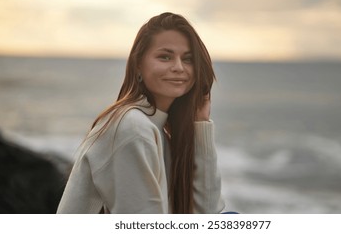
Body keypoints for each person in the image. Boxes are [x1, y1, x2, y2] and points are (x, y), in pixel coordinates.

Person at [57, 12, 225, 214]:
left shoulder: (159, 130)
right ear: (138, 64)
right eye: (165, 57)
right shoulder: (132, 127)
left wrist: (201, 124)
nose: (179, 67)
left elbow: (208, 215)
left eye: (188, 59)